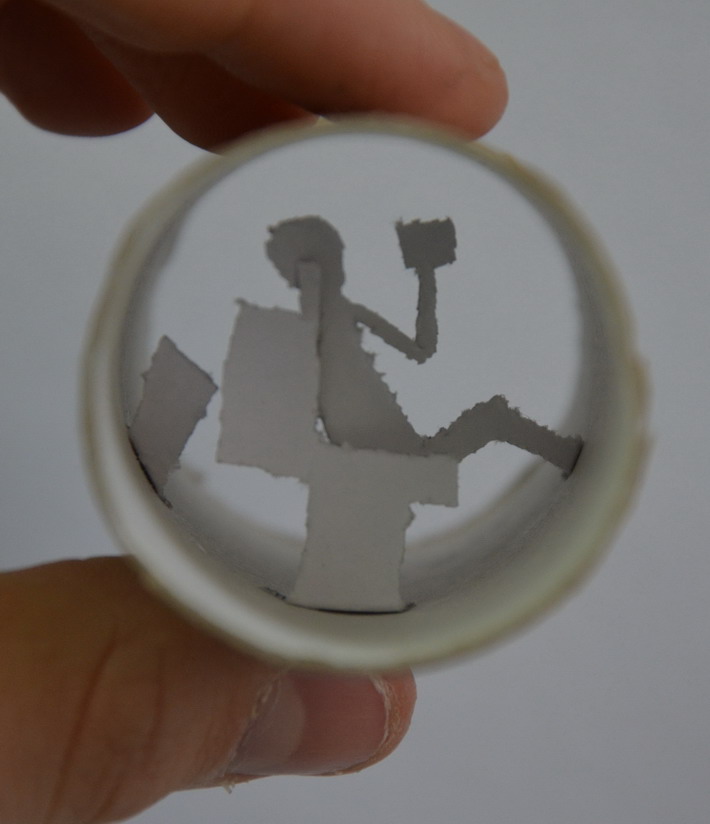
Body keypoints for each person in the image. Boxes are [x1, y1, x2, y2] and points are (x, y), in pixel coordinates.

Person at [0, 0, 508, 821]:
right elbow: (251, 434)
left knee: (433, 483)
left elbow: (416, 347)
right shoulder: (268, 329)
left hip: (371, 463)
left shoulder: (339, 320)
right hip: (344, 474)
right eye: (303, 262)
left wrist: (424, 275)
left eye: (321, 260)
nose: (315, 274)